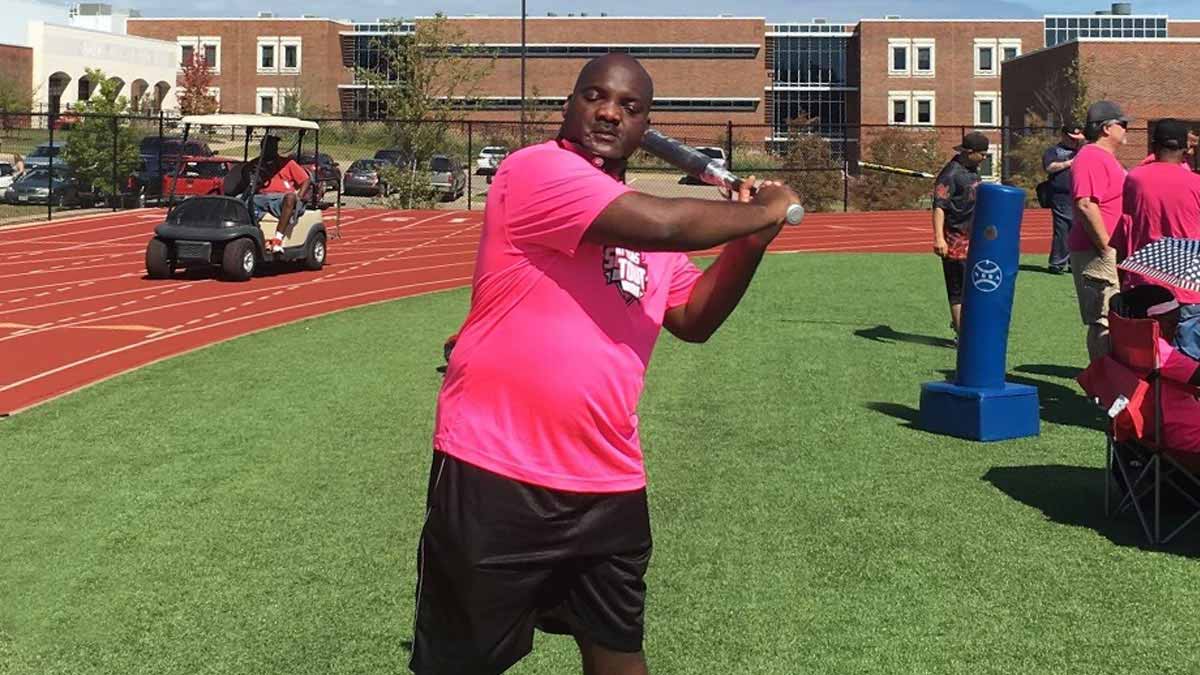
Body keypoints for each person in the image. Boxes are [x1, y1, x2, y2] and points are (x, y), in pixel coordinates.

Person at [412, 54, 800, 675]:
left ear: (644, 125)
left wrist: (751, 242)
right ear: (569, 106)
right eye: (595, 96)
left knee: (618, 652)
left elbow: (694, 319)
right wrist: (762, 210)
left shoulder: (644, 226)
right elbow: (665, 222)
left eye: (629, 106)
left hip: (607, 481)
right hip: (497, 469)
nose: (609, 111)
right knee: (460, 663)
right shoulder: (535, 172)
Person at [1117, 118, 1200, 361]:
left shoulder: (1135, 179)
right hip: (1188, 286)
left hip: (1146, 281)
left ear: (1154, 146)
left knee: (1145, 361)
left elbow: (1128, 223)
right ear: (1185, 149)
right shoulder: (1196, 184)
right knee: (1189, 366)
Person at [1070, 100, 1129, 362]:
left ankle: (1107, 383)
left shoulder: (1103, 157)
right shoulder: (1091, 155)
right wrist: (1106, 247)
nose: (1126, 129)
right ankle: (1103, 388)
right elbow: (1085, 204)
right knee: (1102, 320)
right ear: (1106, 128)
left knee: (1111, 318)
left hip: (1104, 249)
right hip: (1097, 250)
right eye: (1122, 124)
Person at [932, 131, 987, 340]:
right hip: (955, 238)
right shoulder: (950, 174)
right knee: (958, 289)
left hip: (974, 238)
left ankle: (963, 324)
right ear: (969, 152)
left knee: (973, 285)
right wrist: (939, 238)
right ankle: (962, 335)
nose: (984, 158)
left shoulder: (972, 171)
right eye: (982, 154)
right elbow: (939, 207)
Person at [245, 134, 309, 253]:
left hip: (281, 198)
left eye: (272, 146)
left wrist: (299, 196)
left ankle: (278, 239)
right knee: (238, 201)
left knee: (290, 197)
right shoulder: (256, 164)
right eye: (266, 146)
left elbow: (305, 179)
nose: (269, 149)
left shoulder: (287, 163)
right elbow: (245, 175)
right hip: (260, 197)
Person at [1042, 122, 1085, 274]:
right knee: (1063, 229)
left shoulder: (1083, 151)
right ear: (1063, 136)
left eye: (1077, 138)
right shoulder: (1054, 151)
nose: (1075, 141)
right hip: (1061, 195)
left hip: (1080, 194)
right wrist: (1070, 163)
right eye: (1072, 138)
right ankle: (1057, 263)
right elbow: (1049, 167)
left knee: (1079, 229)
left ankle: (1074, 263)